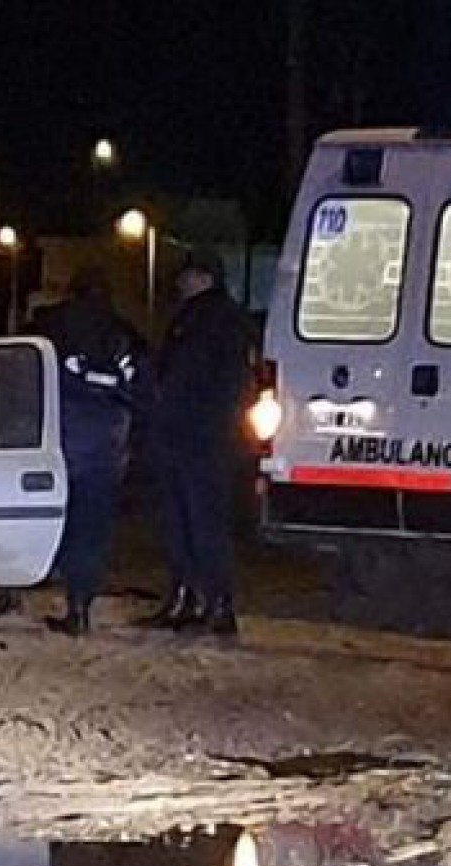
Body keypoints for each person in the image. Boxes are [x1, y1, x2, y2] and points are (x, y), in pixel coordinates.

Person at [143, 248, 253, 637]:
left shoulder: (209, 319)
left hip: (198, 438)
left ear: (203, 277)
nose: (179, 282)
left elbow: (191, 379)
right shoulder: (209, 317)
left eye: (186, 275)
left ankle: (210, 602)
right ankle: (193, 599)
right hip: (198, 437)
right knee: (188, 522)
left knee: (199, 523)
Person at [33, 266, 141, 635]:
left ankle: (31, 582)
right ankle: (81, 603)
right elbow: (141, 385)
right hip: (109, 438)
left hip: (63, 433)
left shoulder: (54, 326)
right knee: (93, 523)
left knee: (55, 515)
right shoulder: (122, 332)